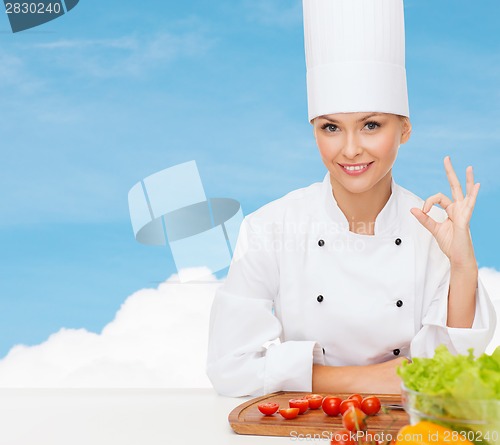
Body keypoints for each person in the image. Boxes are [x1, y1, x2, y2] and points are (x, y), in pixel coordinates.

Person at [206, 0, 496, 397]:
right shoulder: (270, 228)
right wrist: (368, 381)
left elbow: (452, 370)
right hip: (303, 429)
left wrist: (463, 265)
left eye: (371, 125)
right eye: (331, 128)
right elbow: (229, 368)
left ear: (405, 129)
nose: (351, 149)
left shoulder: (434, 233)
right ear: (314, 131)